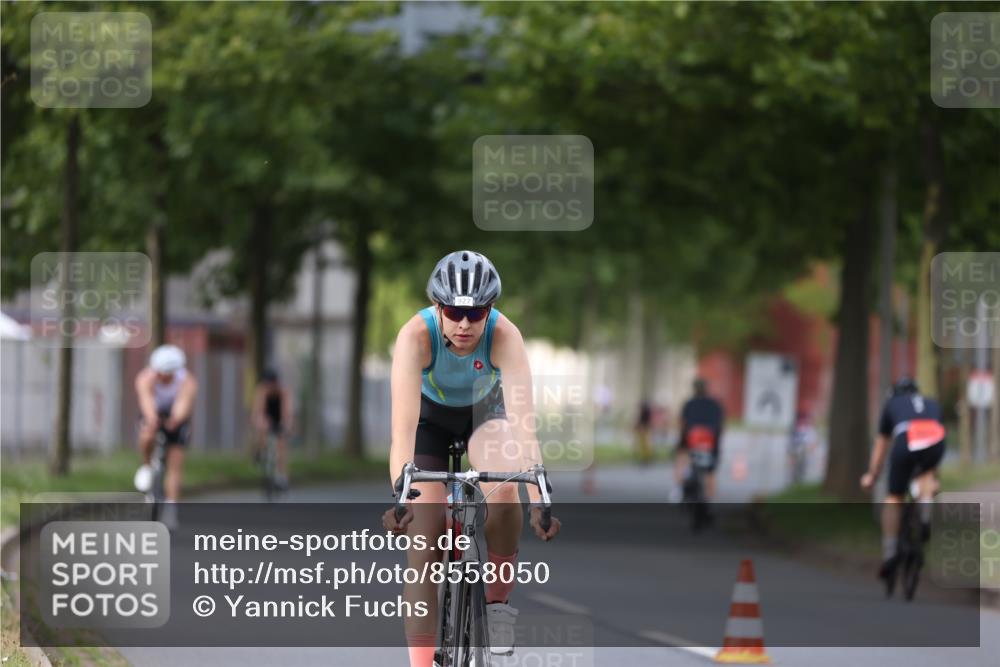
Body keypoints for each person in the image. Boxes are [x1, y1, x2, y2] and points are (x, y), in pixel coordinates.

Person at [381, 250, 561, 667]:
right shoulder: (414, 336)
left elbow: (524, 429)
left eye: (476, 313)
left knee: (504, 492)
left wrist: (538, 498)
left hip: (485, 415)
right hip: (429, 423)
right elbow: (402, 434)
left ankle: (498, 606)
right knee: (424, 542)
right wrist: (401, 497)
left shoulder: (505, 336)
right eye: (453, 311)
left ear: (490, 310)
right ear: (437, 307)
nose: (464, 324)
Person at [860, 377, 945, 583]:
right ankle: (925, 514)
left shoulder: (891, 404)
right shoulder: (932, 403)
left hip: (907, 438)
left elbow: (881, 445)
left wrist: (872, 475)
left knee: (894, 498)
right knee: (926, 475)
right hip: (935, 438)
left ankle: (889, 554)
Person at [133, 344, 198, 526]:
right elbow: (146, 401)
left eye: (167, 373)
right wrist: (152, 419)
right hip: (154, 412)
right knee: (147, 433)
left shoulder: (187, 381)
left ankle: (170, 508)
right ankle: (147, 466)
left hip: (176, 416)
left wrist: (175, 421)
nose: (162, 376)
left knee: (175, 461)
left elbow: (183, 405)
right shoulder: (145, 378)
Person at [673, 378, 724, 501]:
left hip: (692, 438)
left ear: (694, 389)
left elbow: (682, 423)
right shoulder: (715, 404)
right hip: (711, 440)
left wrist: (680, 441)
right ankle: (709, 497)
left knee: (682, 460)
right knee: (710, 471)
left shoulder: (689, 404)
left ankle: (679, 488)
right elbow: (721, 425)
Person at [251, 367, 293, 489]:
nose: (267, 386)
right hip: (266, 413)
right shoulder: (262, 391)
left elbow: (287, 411)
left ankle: (282, 476)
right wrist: (260, 421)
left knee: (282, 444)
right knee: (261, 426)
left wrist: (286, 425)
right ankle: (261, 450)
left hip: (279, 414)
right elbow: (258, 411)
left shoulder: (284, 391)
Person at [634, 400, 654, 465]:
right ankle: (645, 458)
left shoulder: (645, 412)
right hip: (644, 428)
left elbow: (644, 421)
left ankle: (646, 458)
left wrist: (641, 427)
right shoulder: (646, 411)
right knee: (644, 444)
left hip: (644, 428)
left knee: (645, 444)